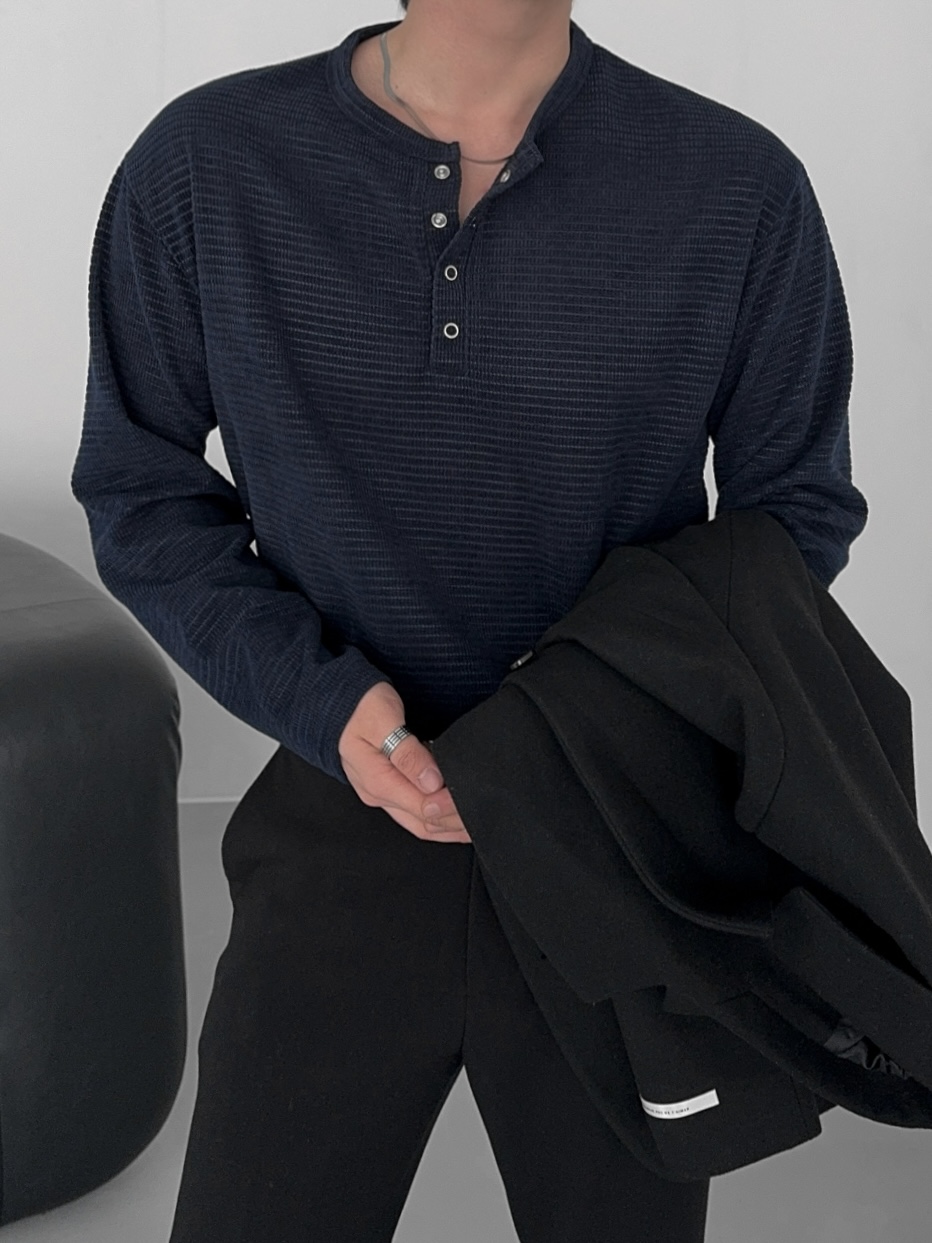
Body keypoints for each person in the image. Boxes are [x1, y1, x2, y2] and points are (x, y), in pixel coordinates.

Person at [71, 0, 868, 1238]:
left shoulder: (737, 186)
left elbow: (790, 515)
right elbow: (141, 492)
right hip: (333, 828)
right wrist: (325, 702)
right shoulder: (207, 165)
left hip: (616, 850)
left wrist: (589, 716)